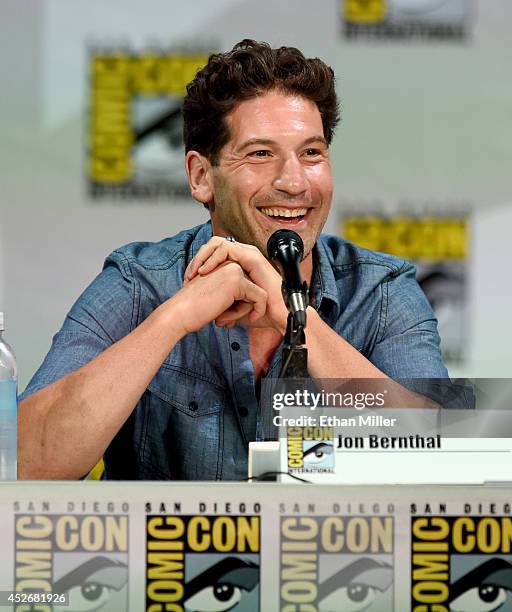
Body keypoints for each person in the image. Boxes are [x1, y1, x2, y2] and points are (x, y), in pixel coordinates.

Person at [19, 40, 448, 480]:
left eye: (312, 153)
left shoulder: (381, 292)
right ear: (202, 176)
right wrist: (173, 319)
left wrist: (293, 317)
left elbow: (436, 460)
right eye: (261, 154)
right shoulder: (138, 285)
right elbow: (27, 464)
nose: (295, 181)